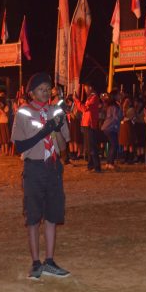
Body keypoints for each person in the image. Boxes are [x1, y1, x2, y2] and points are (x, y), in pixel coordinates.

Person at [11, 73, 72, 280]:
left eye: (48, 88)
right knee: (34, 216)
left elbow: (64, 148)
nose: (45, 92)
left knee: (53, 215)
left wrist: (56, 132)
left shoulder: (56, 112)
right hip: (34, 168)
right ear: (31, 93)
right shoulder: (23, 113)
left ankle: (50, 261)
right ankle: (36, 262)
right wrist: (44, 131)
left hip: (53, 167)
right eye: (41, 89)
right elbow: (20, 145)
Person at [80, 84, 102, 172]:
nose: (85, 90)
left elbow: (84, 109)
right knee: (89, 147)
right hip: (86, 124)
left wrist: (77, 101)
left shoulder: (94, 97)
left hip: (90, 124)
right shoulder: (90, 97)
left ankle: (97, 167)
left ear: (90, 87)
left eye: (85, 88)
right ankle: (91, 165)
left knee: (92, 147)